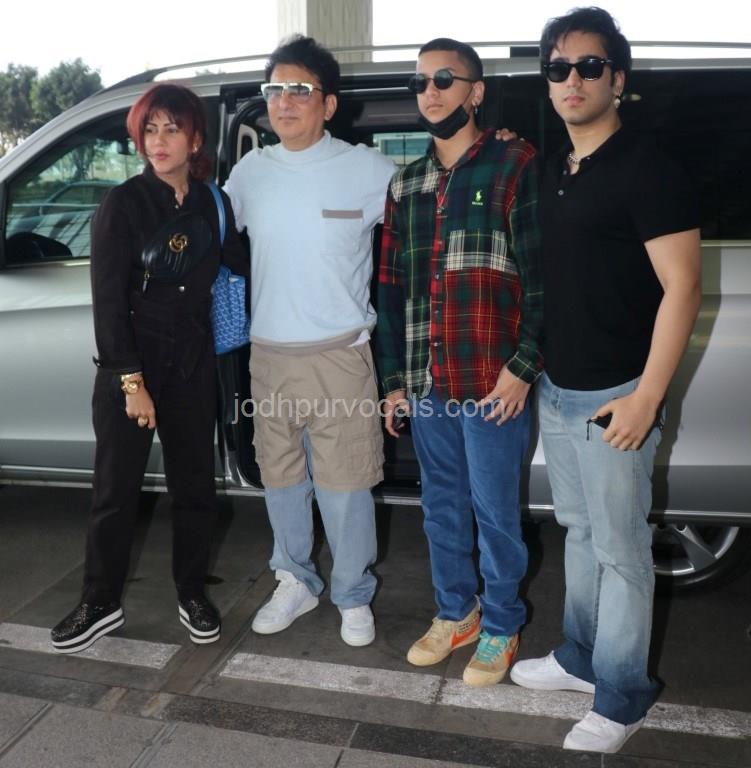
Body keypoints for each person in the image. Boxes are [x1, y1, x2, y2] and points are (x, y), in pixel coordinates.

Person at [509, 8, 701, 753]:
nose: (572, 80)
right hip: (560, 391)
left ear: (617, 78)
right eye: (558, 68)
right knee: (581, 531)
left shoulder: (647, 168)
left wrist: (646, 397)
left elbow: (682, 288)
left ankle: (621, 696)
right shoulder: (556, 169)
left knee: (622, 553)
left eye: (589, 66)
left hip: (617, 395)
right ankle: (579, 658)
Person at [50, 84, 249, 654]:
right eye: (149, 130)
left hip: (192, 364)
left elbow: (240, 264)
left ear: (195, 139)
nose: (158, 142)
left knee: (195, 488)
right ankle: (99, 602)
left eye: (172, 129)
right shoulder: (123, 203)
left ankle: (192, 592)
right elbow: (108, 303)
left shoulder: (214, 202)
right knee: (115, 492)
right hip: (130, 368)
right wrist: (130, 381)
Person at [375, 38, 543, 686]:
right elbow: (390, 291)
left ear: (475, 92)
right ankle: (457, 613)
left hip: (492, 378)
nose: (430, 91)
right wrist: (394, 381)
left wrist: (523, 366)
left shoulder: (515, 163)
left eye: (444, 79)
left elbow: (542, 278)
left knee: (497, 512)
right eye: (419, 82)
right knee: (440, 504)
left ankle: (502, 622)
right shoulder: (405, 183)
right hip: (426, 380)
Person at [223, 36, 395, 647]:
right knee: (282, 479)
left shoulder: (368, 170)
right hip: (269, 356)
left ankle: (353, 593)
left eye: (300, 89)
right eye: (275, 90)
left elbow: (436, 203)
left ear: (329, 104)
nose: (285, 101)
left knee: (347, 484)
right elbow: (210, 235)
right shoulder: (250, 173)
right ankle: (294, 579)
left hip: (340, 355)